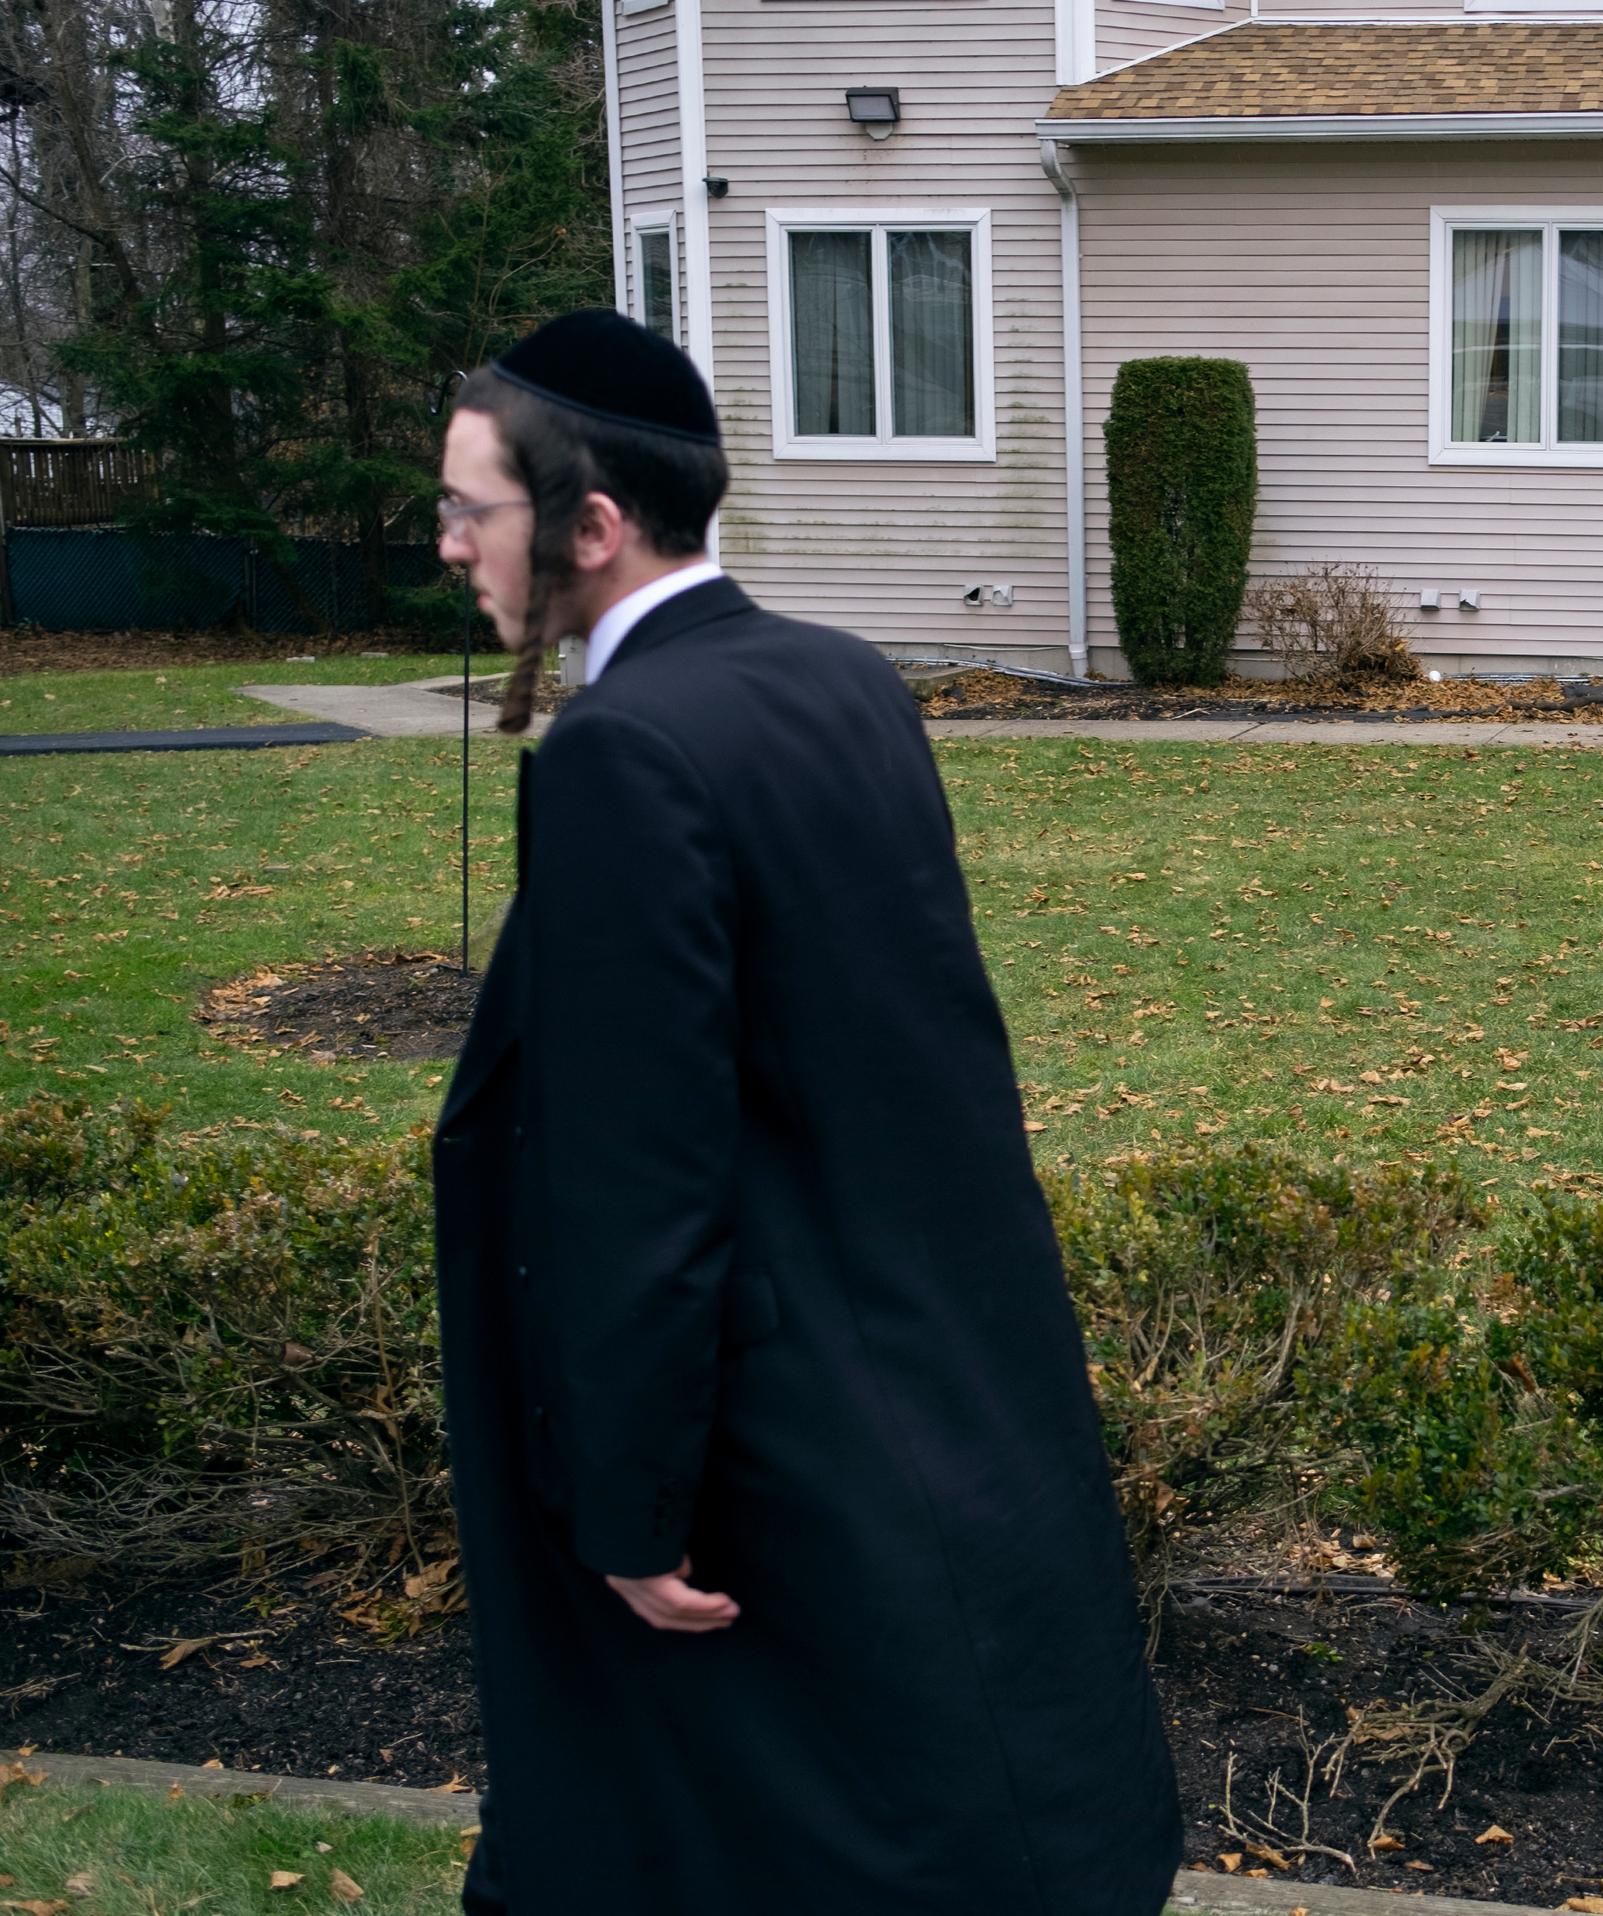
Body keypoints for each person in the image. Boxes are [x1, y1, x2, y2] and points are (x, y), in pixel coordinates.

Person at [429, 309, 1179, 1913]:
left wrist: (628, 1506)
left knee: (716, 1840)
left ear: (592, 524)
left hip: (768, 1441)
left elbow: (638, 1176)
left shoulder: (625, 752)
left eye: (470, 510)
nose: (449, 547)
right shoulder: (835, 680)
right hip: (920, 1356)